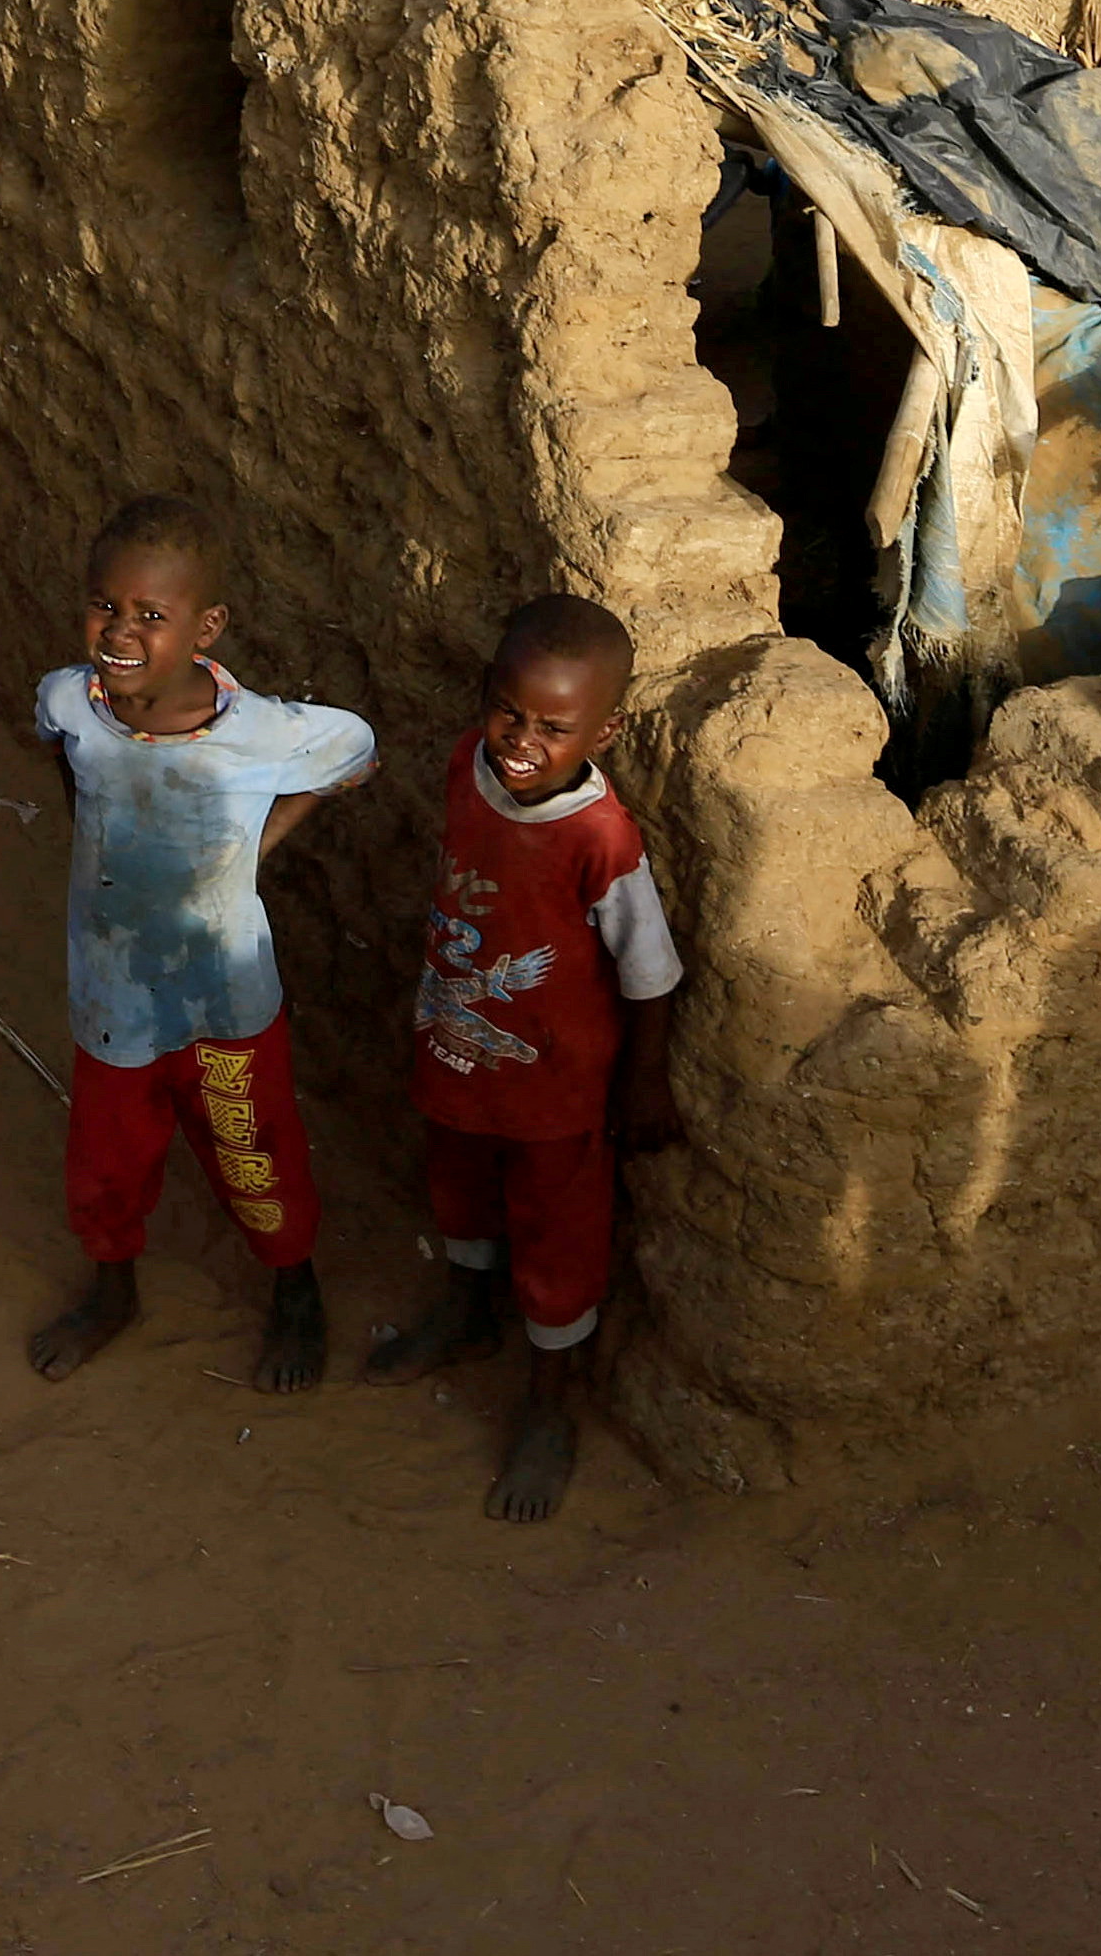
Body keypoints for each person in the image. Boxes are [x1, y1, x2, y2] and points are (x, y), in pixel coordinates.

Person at [24, 493, 375, 1393]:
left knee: (252, 1148)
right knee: (106, 1159)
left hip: (226, 999)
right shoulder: (71, 700)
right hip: (112, 1000)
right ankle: (113, 1288)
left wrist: (248, 850)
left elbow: (355, 753)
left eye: (152, 615)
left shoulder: (261, 732)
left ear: (206, 627)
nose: (120, 630)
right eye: (104, 604)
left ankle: (293, 1287)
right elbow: (68, 756)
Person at [362, 596, 686, 1524]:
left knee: (556, 1240)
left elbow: (649, 970)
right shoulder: (468, 764)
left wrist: (645, 1078)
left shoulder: (600, 838)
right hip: (459, 1050)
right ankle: (466, 1310)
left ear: (604, 730)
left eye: (554, 727)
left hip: (554, 1089)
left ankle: (550, 1409)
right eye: (509, 711)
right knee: (458, 1185)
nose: (521, 739)